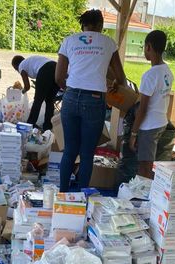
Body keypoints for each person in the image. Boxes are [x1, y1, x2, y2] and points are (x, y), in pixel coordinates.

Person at [55, 9, 126, 192]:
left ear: (82, 25)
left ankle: (63, 194)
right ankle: (81, 198)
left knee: (70, 151)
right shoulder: (108, 43)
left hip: (70, 97)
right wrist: (116, 83)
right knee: (87, 154)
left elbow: (59, 76)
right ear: (101, 26)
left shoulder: (69, 41)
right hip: (95, 100)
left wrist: (70, 90)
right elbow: (120, 76)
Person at [128, 30, 174, 179]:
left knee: (145, 167)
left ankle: (145, 196)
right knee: (152, 166)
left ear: (148, 47)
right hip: (161, 122)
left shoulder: (150, 75)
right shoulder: (168, 71)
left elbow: (143, 108)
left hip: (149, 127)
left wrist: (133, 134)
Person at [11, 55, 59, 131]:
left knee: (37, 101)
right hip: (56, 67)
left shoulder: (21, 66)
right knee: (50, 101)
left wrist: (21, 92)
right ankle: (47, 127)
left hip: (45, 70)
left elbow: (27, 86)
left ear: (15, 66)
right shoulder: (30, 61)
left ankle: (30, 124)